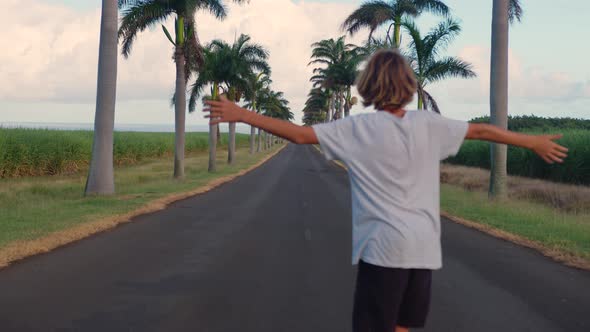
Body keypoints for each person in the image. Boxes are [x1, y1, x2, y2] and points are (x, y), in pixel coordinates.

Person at [204, 49, 568, 332]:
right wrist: (531, 141)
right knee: (401, 325)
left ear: (368, 86)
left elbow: (300, 135)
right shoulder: (430, 124)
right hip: (423, 250)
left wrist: (244, 114)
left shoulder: (358, 129)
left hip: (384, 251)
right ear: (408, 85)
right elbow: (483, 131)